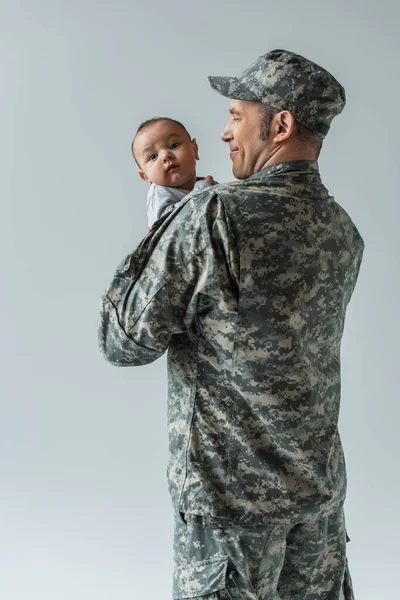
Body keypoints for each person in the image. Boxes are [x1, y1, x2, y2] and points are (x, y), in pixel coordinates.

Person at [99, 49, 364, 599]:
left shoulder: (212, 215)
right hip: (316, 505)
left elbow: (123, 340)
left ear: (282, 125)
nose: (224, 133)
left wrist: (161, 234)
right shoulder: (342, 230)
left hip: (231, 515)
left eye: (237, 116)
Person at [131, 117, 214, 229]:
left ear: (194, 149)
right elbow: (170, 225)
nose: (166, 155)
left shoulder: (207, 184)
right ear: (146, 177)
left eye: (173, 146)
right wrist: (202, 190)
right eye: (153, 157)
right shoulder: (159, 194)